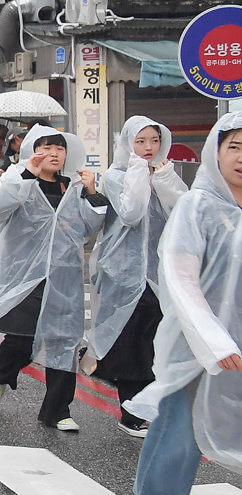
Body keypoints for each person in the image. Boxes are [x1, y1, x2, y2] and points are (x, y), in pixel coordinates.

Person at [121, 113, 242, 495]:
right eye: (235, 146)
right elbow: (181, 278)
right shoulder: (198, 207)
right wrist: (214, 341)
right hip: (197, 345)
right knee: (181, 432)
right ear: (216, 151)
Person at [0, 126, 108, 432]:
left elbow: (90, 227)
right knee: (21, 341)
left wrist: (92, 193)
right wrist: (25, 175)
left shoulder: (73, 187)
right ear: (32, 150)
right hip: (25, 276)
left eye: (59, 148)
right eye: (46, 147)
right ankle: (0, 373)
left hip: (64, 276)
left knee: (64, 342)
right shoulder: (18, 178)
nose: (54, 154)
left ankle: (57, 411)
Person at [88, 117, 188, 438]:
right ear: (128, 143)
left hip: (159, 274)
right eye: (141, 141)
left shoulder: (163, 172)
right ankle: (130, 413)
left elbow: (184, 212)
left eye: (154, 140)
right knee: (131, 344)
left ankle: (149, 406)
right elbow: (131, 213)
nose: (149, 147)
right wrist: (138, 174)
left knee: (157, 341)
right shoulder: (117, 176)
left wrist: (165, 180)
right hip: (124, 274)